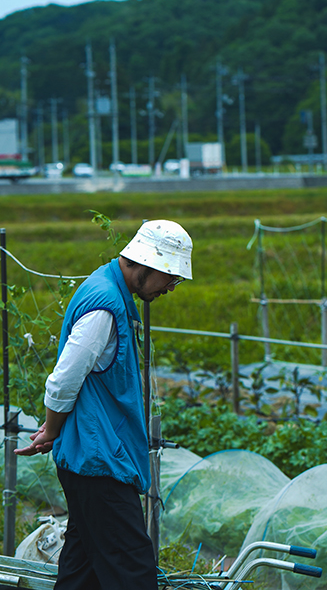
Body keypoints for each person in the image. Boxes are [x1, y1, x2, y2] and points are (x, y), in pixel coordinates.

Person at [14, 219, 193, 590]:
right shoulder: (106, 307)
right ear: (149, 265)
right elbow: (63, 380)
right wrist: (52, 428)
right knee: (133, 570)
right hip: (100, 464)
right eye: (170, 278)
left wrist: (57, 431)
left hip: (91, 459)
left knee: (83, 571)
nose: (171, 288)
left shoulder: (106, 287)